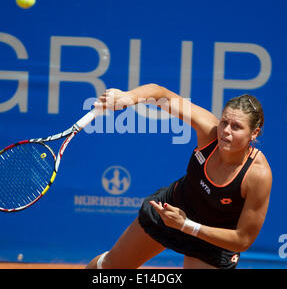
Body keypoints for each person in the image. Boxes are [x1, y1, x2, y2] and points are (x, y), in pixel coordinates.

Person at [86, 83, 272, 269]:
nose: (225, 131)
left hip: (214, 238)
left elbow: (243, 239)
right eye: (224, 122)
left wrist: (186, 225)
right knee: (111, 267)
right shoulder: (210, 131)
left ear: (254, 133)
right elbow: (162, 95)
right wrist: (127, 97)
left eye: (236, 127)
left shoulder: (257, 175)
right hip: (171, 209)